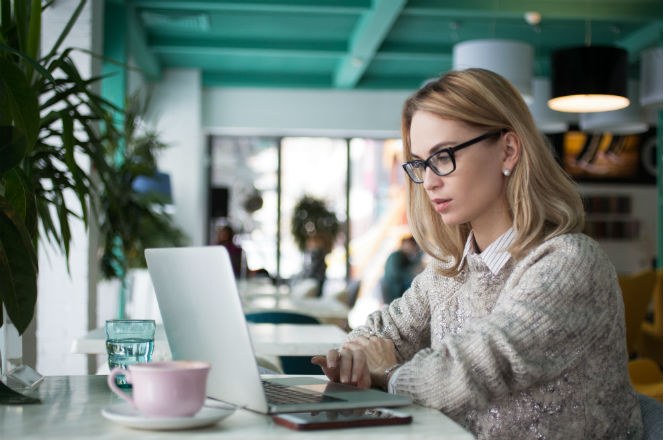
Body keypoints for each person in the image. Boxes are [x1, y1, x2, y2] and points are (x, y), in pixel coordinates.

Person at [312, 68, 643, 439]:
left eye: (443, 156)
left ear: (508, 150)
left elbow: (472, 369)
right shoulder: (450, 272)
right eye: (421, 164)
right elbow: (379, 332)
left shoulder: (569, 264)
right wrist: (358, 355)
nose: (430, 181)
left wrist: (388, 374)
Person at [380, 235, 423, 304]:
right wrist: (412, 273)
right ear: (404, 244)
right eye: (411, 245)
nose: (412, 248)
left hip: (396, 289)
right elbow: (395, 274)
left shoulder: (405, 257)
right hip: (393, 290)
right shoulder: (396, 255)